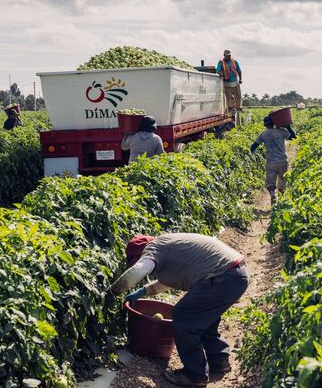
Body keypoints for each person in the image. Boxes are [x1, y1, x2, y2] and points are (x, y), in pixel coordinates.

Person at [112, 234, 250, 387]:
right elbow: (170, 279)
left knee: (183, 316)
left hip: (222, 277)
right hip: (238, 274)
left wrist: (115, 291)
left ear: (140, 254)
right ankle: (219, 361)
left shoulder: (153, 248)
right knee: (204, 319)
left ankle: (194, 375)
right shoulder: (169, 245)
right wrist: (143, 291)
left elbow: (139, 270)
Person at [250, 115, 296, 204]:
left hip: (271, 161)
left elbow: (253, 147)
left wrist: (255, 156)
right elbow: (293, 137)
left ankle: (272, 195)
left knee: (270, 181)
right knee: (282, 180)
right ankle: (281, 201)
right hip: (283, 161)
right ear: (274, 122)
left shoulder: (263, 134)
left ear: (265, 125)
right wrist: (288, 126)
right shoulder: (282, 132)